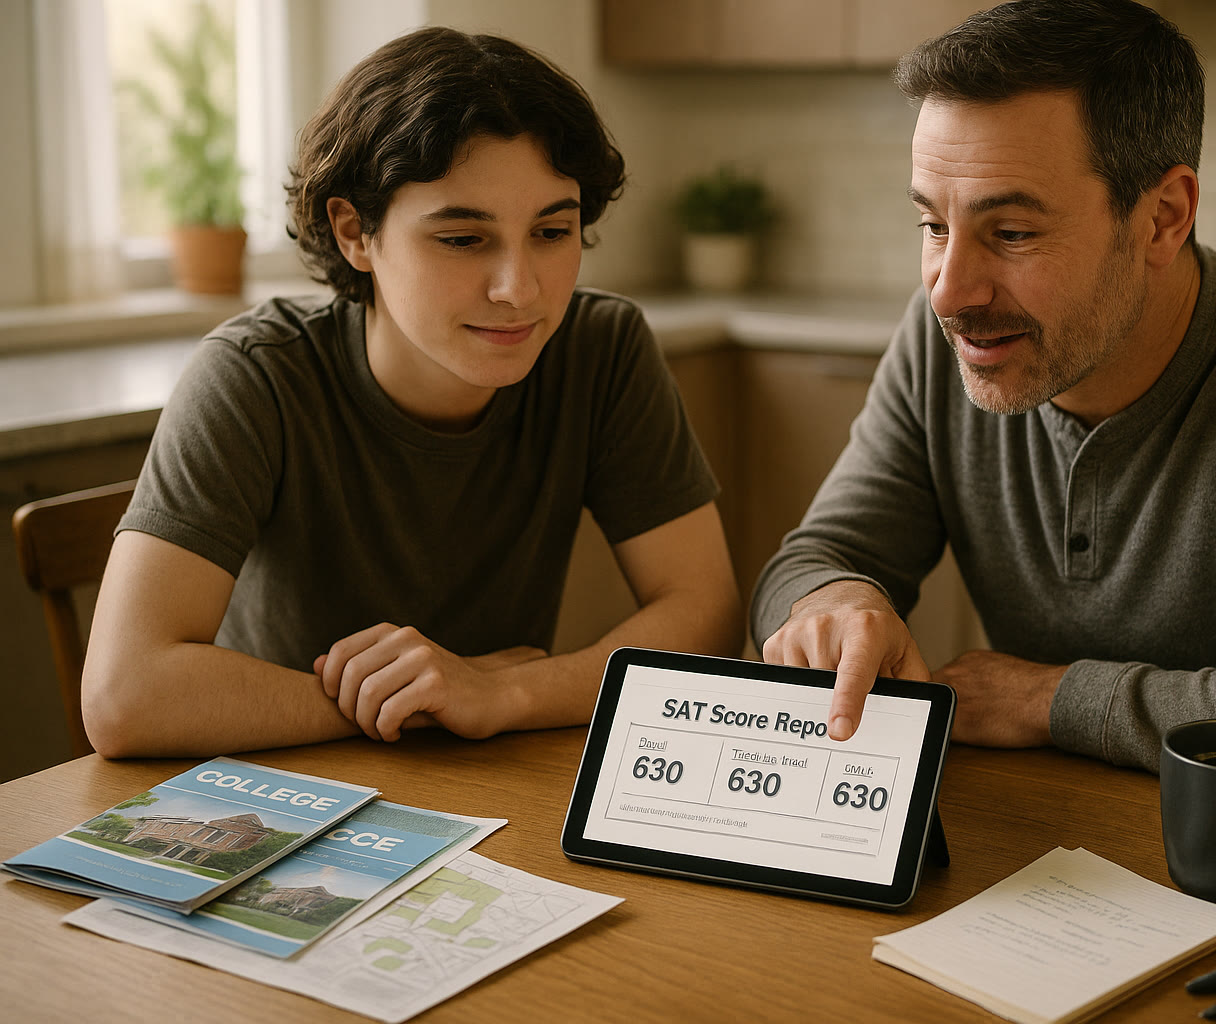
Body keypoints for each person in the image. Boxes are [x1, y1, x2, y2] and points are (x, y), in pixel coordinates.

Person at [752, 0, 1216, 808]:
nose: (950, 291)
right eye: (932, 224)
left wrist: (1048, 700)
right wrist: (833, 603)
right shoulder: (940, 340)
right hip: (1060, 829)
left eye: (1012, 233)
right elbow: (811, 560)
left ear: (1163, 218)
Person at [83, 27, 743, 758]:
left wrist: (503, 693)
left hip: (486, 784)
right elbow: (124, 695)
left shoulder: (601, 350)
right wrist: (425, 699)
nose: (518, 290)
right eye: (463, 240)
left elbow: (705, 614)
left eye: (552, 231)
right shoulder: (254, 375)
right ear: (354, 232)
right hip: (281, 786)